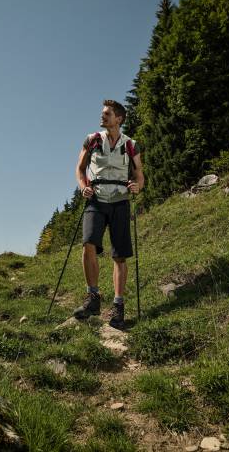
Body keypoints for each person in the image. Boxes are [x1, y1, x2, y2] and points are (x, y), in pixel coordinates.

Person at [73, 99, 144, 329]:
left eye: (107, 114)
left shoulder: (131, 144)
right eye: (103, 113)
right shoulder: (92, 140)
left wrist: (137, 186)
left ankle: (118, 306)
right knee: (88, 244)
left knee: (119, 256)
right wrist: (83, 185)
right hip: (96, 198)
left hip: (120, 201)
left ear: (119, 119)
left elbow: (139, 174)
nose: (103, 117)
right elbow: (80, 168)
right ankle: (93, 297)